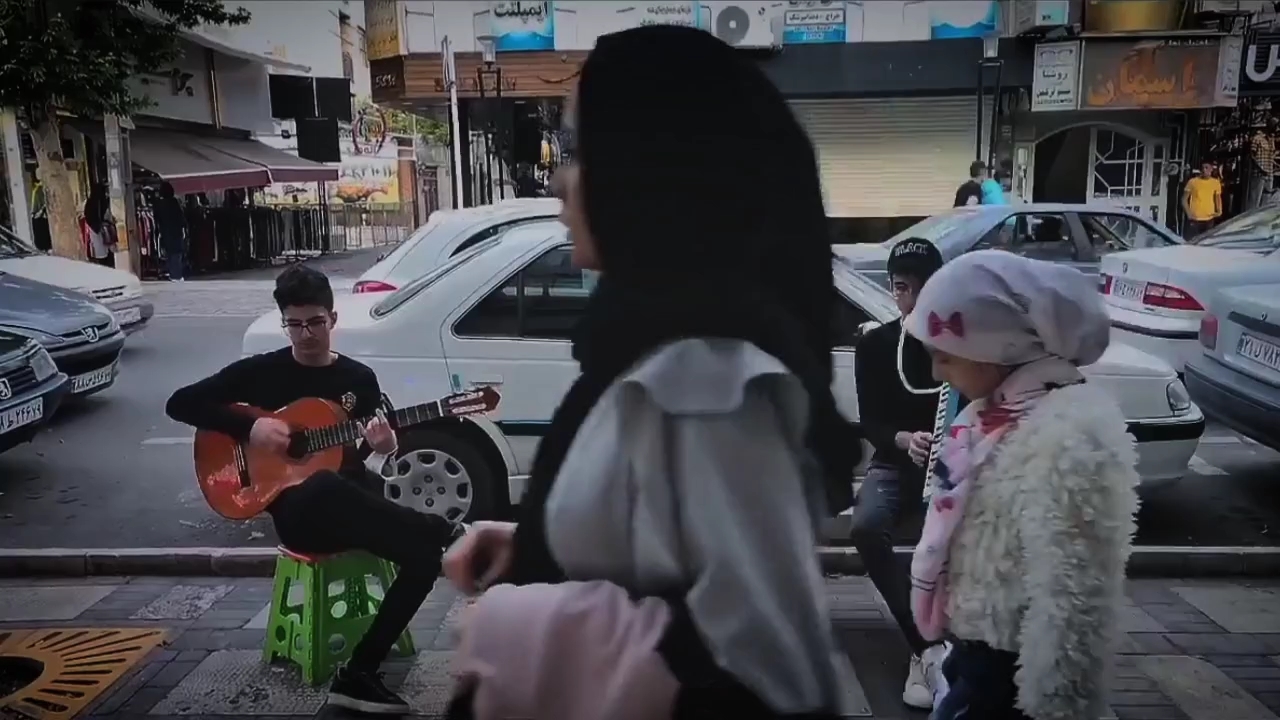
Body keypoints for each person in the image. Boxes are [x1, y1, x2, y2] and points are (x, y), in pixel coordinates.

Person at [442, 25, 861, 719]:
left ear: (651, 171)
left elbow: (764, 679)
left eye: (579, 150)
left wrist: (516, 628)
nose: (558, 181)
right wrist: (539, 545)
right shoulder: (639, 340)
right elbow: (668, 554)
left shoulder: (710, 383)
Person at [165, 265, 460, 715]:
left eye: (316, 322)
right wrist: (250, 426)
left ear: (332, 319)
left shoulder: (358, 381)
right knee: (321, 484)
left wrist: (384, 449)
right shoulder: (259, 373)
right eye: (295, 324)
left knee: (423, 558)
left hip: (353, 504)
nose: (306, 334)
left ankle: (359, 674)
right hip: (298, 514)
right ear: (284, 323)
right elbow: (180, 403)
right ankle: (443, 528)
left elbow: (364, 459)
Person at [904, 250, 1140, 720]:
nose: (935, 373)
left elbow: (1075, 601)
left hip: (1012, 671)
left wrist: (1055, 704)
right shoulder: (988, 417)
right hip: (973, 649)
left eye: (945, 357)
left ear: (997, 350)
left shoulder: (1070, 437)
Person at [850, 237, 949, 710]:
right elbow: (870, 420)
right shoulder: (876, 345)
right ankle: (925, 643)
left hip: (953, 467)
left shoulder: (959, 343)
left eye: (921, 287)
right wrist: (904, 440)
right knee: (866, 525)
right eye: (901, 287)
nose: (909, 298)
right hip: (894, 463)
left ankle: (939, 645)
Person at [154, 183, 188, 281]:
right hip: (176, 232)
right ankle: (177, 275)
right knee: (177, 254)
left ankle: (172, 273)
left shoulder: (159, 204)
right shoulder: (174, 202)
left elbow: (157, 219)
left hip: (165, 232)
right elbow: (181, 217)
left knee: (170, 254)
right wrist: (184, 229)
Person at [1183, 162, 1222, 241]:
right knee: (1191, 242)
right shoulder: (1192, 182)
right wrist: (1189, 214)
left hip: (1209, 219)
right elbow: (1184, 199)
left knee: (1206, 242)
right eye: (1202, 168)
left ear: (1211, 169)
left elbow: (1217, 198)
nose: (1204, 170)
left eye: (1206, 167)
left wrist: (1219, 210)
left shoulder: (1215, 183)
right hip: (1195, 219)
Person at [83, 183, 116, 267]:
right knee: (107, 252)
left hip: (96, 230)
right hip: (102, 230)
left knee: (101, 254)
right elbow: (107, 215)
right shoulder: (103, 201)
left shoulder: (90, 202)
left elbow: (87, 216)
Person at [1249, 117, 1277, 210]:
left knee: (1266, 203)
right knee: (1255, 202)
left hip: (1269, 174)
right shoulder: (1257, 138)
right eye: (1275, 126)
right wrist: (1260, 168)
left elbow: (1270, 155)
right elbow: (1252, 155)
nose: (1276, 129)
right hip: (1259, 174)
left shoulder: (1271, 139)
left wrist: (1274, 165)